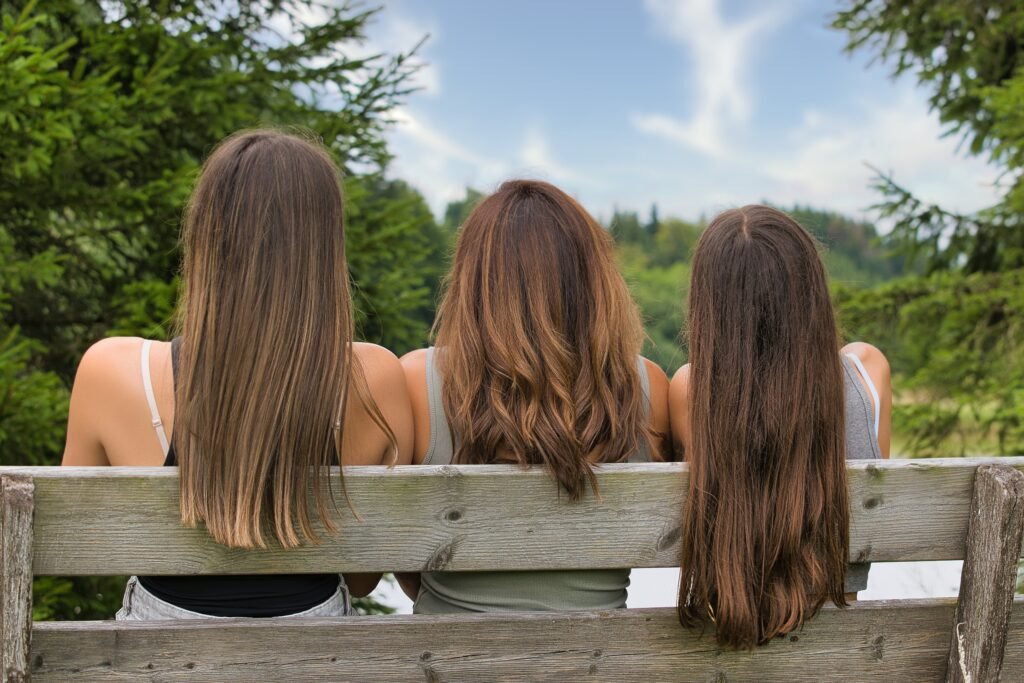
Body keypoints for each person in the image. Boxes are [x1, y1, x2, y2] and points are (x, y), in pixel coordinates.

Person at [62, 130, 414, 619]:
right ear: (324, 249)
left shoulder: (112, 370)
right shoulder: (373, 376)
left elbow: (80, 541)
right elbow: (360, 577)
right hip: (320, 661)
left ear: (205, 235)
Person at [398, 179, 671, 613]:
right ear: (594, 282)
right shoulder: (648, 386)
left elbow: (401, 558)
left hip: (444, 664)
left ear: (474, 282)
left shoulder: (415, 379)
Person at [669, 205, 891, 648]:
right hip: (847, 657)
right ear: (811, 292)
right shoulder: (869, 372)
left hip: (732, 647)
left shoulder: (689, 390)